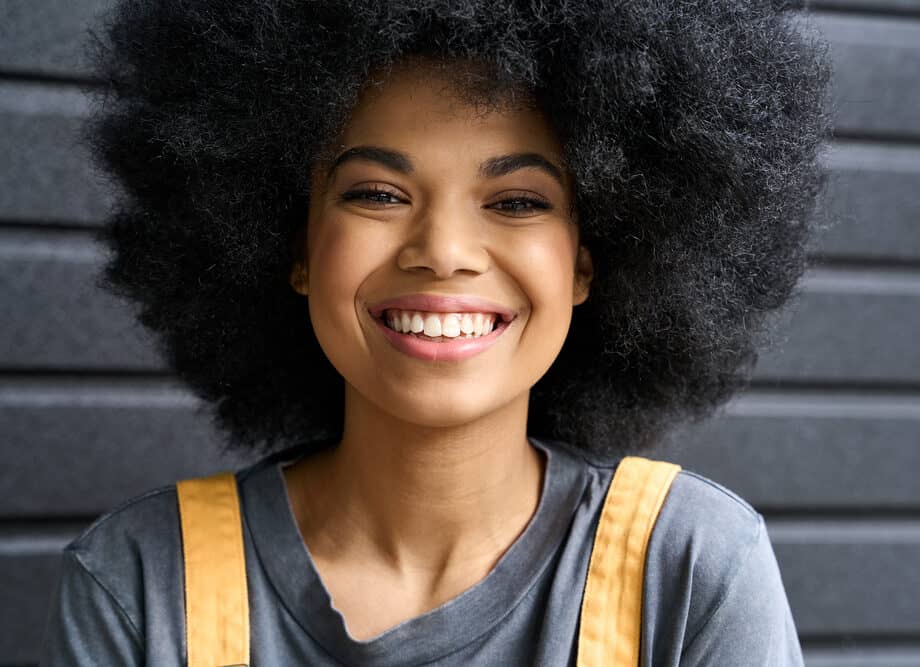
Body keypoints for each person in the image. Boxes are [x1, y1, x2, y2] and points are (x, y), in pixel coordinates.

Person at [42, 0, 829, 664]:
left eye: (518, 201)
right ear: (295, 249)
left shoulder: (689, 570)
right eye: (378, 193)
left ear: (587, 265)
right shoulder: (142, 586)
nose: (444, 252)